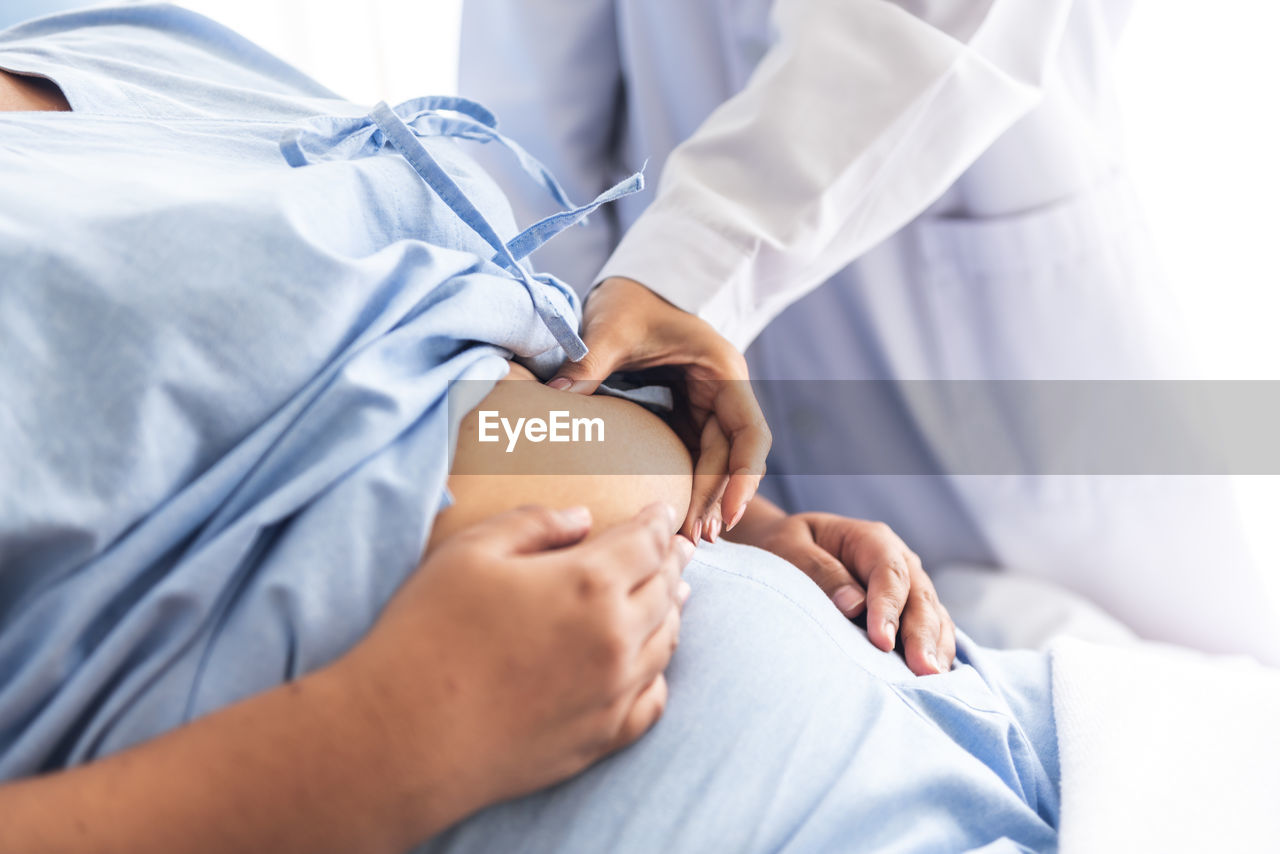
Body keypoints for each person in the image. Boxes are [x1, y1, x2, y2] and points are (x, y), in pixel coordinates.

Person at [1, 7, 1063, 853]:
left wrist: (731, 516)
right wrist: (384, 739)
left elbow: (407, 355)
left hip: (959, 717)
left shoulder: (97, 33)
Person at [460, 0, 1280, 663]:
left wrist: (682, 273)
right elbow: (529, 139)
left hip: (1000, 336)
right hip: (703, 417)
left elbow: (932, 18)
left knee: (1154, 709)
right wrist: (598, 351)